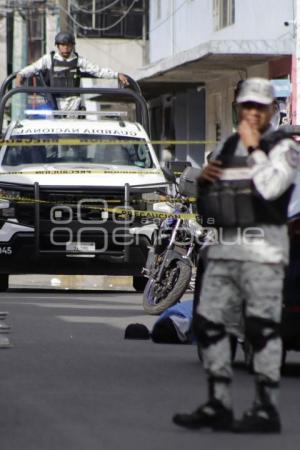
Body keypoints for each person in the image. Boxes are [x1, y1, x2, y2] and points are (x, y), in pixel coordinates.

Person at [172, 78, 300, 433]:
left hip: (265, 249)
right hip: (228, 246)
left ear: (272, 110)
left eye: (260, 106)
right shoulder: (229, 145)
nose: (252, 113)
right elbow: (210, 197)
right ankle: (219, 403)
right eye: (247, 106)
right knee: (211, 325)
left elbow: (270, 187)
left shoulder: (282, 148)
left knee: (261, 329)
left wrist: (254, 149)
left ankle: (266, 409)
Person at [15, 31, 129, 110]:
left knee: (72, 136)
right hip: (54, 101)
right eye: (63, 45)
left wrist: (116, 75)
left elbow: (97, 70)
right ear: (58, 46)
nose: (65, 48)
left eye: (68, 45)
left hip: (73, 103)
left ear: (72, 46)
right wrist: (21, 75)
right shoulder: (49, 59)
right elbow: (33, 68)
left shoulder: (78, 60)